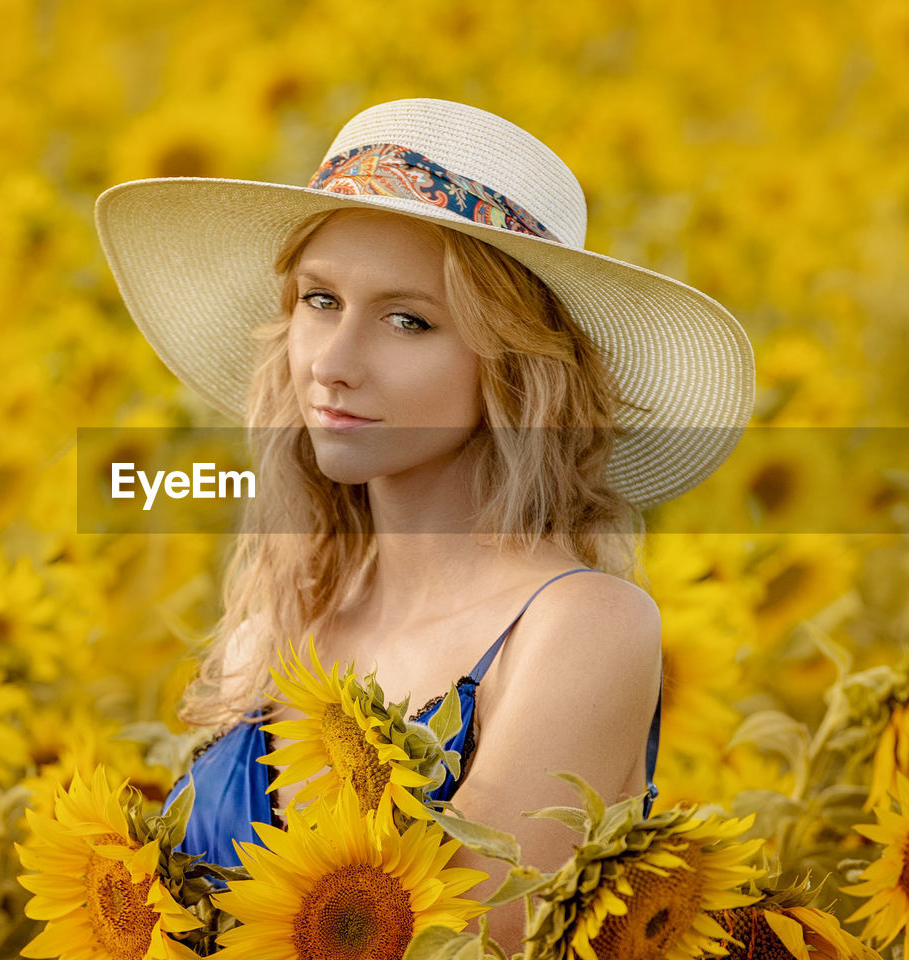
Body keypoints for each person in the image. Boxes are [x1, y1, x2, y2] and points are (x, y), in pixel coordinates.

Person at [94, 98, 754, 952]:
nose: (332, 364)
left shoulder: (576, 628)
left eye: (409, 320)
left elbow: (463, 941)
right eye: (319, 300)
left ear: (514, 365)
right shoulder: (284, 613)